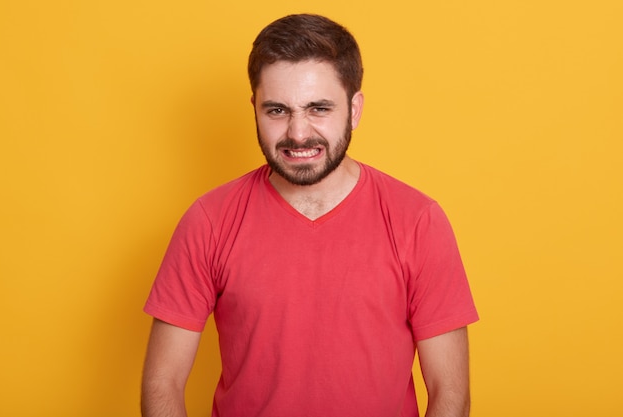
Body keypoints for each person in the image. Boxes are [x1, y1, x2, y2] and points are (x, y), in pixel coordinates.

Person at [141, 13, 478, 417]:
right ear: (254, 108)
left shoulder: (418, 221)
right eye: (277, 111)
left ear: (354, 110)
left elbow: (450, 394)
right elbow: (163, 383)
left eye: (318, 108)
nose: (298, 133)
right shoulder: (208, 221)